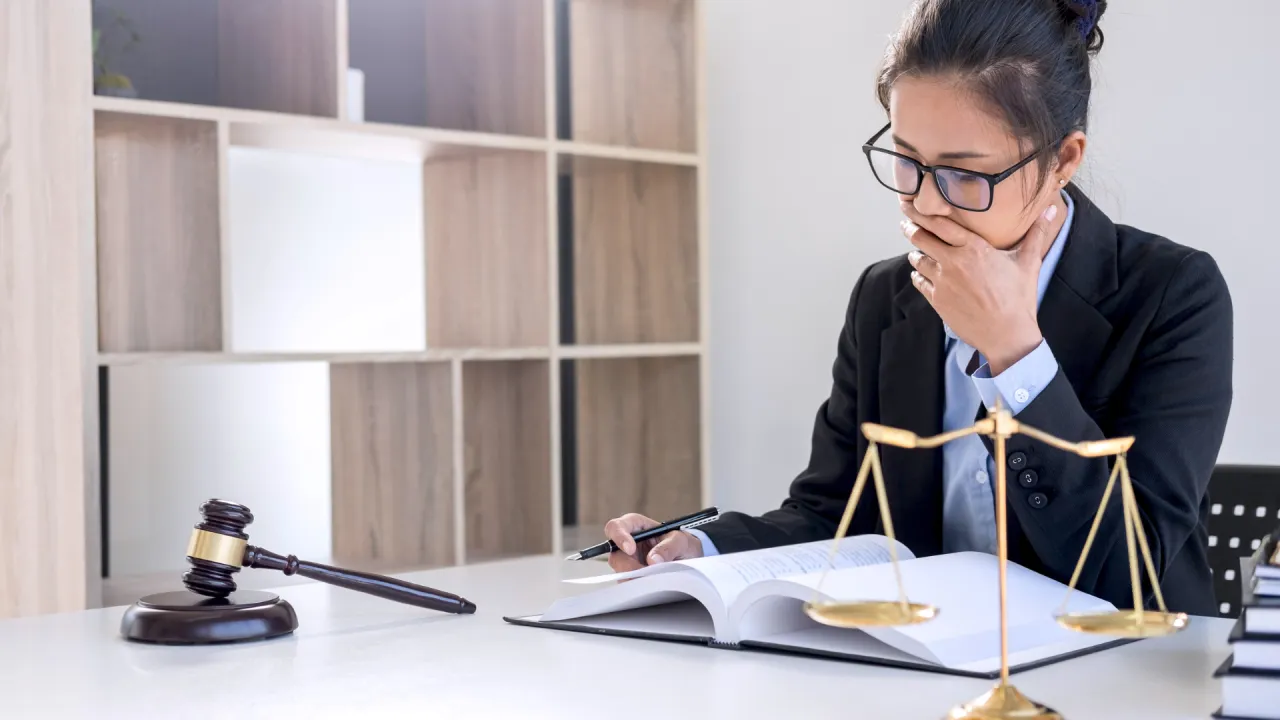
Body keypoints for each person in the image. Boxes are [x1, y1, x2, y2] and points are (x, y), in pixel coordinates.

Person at [602, 0, 1233, 616]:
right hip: (930, 667)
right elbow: (832, 513)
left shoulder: (1172, 294)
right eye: (906, 161)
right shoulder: (886, 299)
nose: (925, 204)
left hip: (1128, 672)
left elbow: (1129, 570)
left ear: (1063, 159)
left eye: (965, 175)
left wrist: (1015, 352)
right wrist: (699, 549)